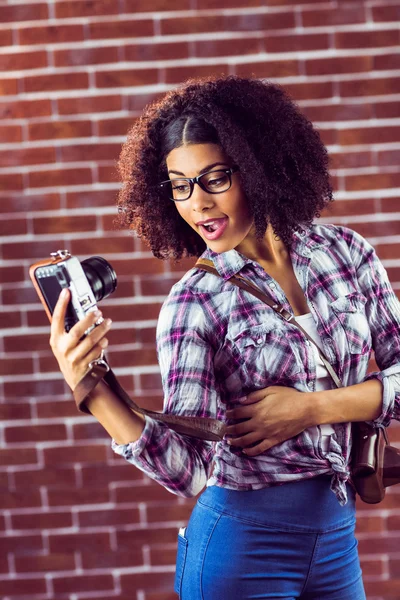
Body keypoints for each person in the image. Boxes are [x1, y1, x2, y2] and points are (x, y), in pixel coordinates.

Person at [50, 76, 400, 600]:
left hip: (335, 540)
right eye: (180, 185)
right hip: (242, 550)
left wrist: (314, 409)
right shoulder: (194, 303)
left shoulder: (345, 253)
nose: (198, 205)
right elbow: (191, 469)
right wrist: (94, 391)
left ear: (258, 166)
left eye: (215, 178)